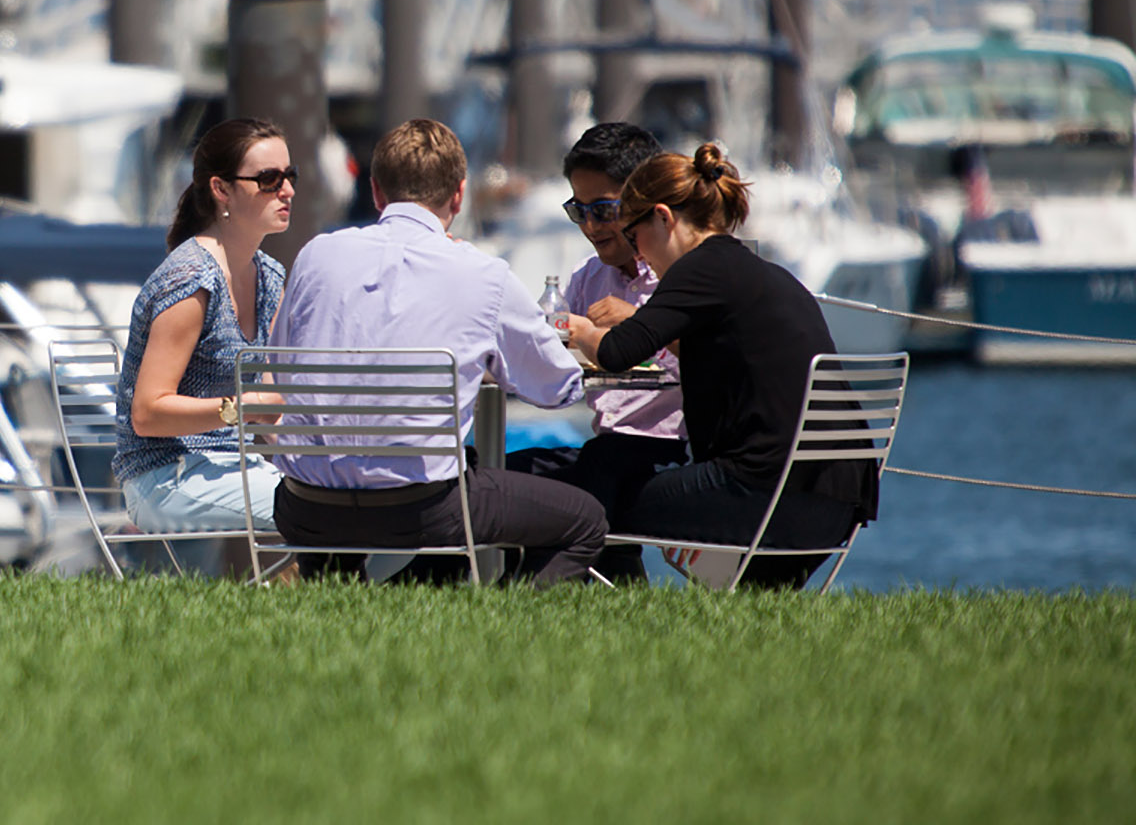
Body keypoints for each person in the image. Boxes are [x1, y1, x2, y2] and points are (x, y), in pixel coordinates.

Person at [268, 119, 605, 587]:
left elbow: (282, 367)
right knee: (585, 521)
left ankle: (369, 601)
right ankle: (501, 628)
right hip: (420, 509)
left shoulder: (316, 255)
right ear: (460, 193)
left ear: (376, 190)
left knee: (432, 485)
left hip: (308, 506)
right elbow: (556, 389)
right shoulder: (482, 274)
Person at [568, 144, 875, 588]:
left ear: (662, 217)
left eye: (635, 237)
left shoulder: (698, 269)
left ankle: (607, 604)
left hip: (764, 497)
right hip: (833, 499)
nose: (639, 255)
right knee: (610, 467)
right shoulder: (758, 271)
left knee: (591, 496)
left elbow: (616, 352)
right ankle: (714, 593)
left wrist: (571, 327)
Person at [506, 122, 688, 582]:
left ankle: (540, 586)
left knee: (597, 472)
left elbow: (717, 356)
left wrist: (639, 326)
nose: (590, 226)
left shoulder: (681, 273)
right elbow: (550, 365)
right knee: (500, 473)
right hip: (607, 444)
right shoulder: (588, 279)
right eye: (578, 210)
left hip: (675, 448)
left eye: (604, 210)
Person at [111, 117, 294, 534]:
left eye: (289, 176)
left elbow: (271, 413)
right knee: (327, 518)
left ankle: (295, 592)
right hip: (164, 477)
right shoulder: (193, 279)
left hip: (237, 469)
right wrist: (241, 408)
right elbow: (148, 413)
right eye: (269, 179)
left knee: (361, 510)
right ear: (221, 189)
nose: (287, 190)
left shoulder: (270, 276)